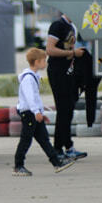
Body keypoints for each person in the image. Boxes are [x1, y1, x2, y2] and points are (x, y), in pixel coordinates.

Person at [14, 48, 77, 176]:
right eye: (44, 61)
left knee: (44, 140)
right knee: (26, 140)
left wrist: (40, 113)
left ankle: (56, 163)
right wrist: (36, 112)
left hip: (35, 114)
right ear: (36, 62)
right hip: (29, 114)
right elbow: (30, 97)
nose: (46, 63)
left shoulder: (34, 77)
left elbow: (36, 98)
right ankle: (18, 166)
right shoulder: (28, 79)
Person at [45, 12, 87, 160]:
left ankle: (67, 146)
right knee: (63, 109)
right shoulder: (58, 25)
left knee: (68, 109)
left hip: (68, 71)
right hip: (58, 71)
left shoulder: (71, 26)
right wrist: (72, 52)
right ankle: (58, 148)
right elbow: (49, 49)